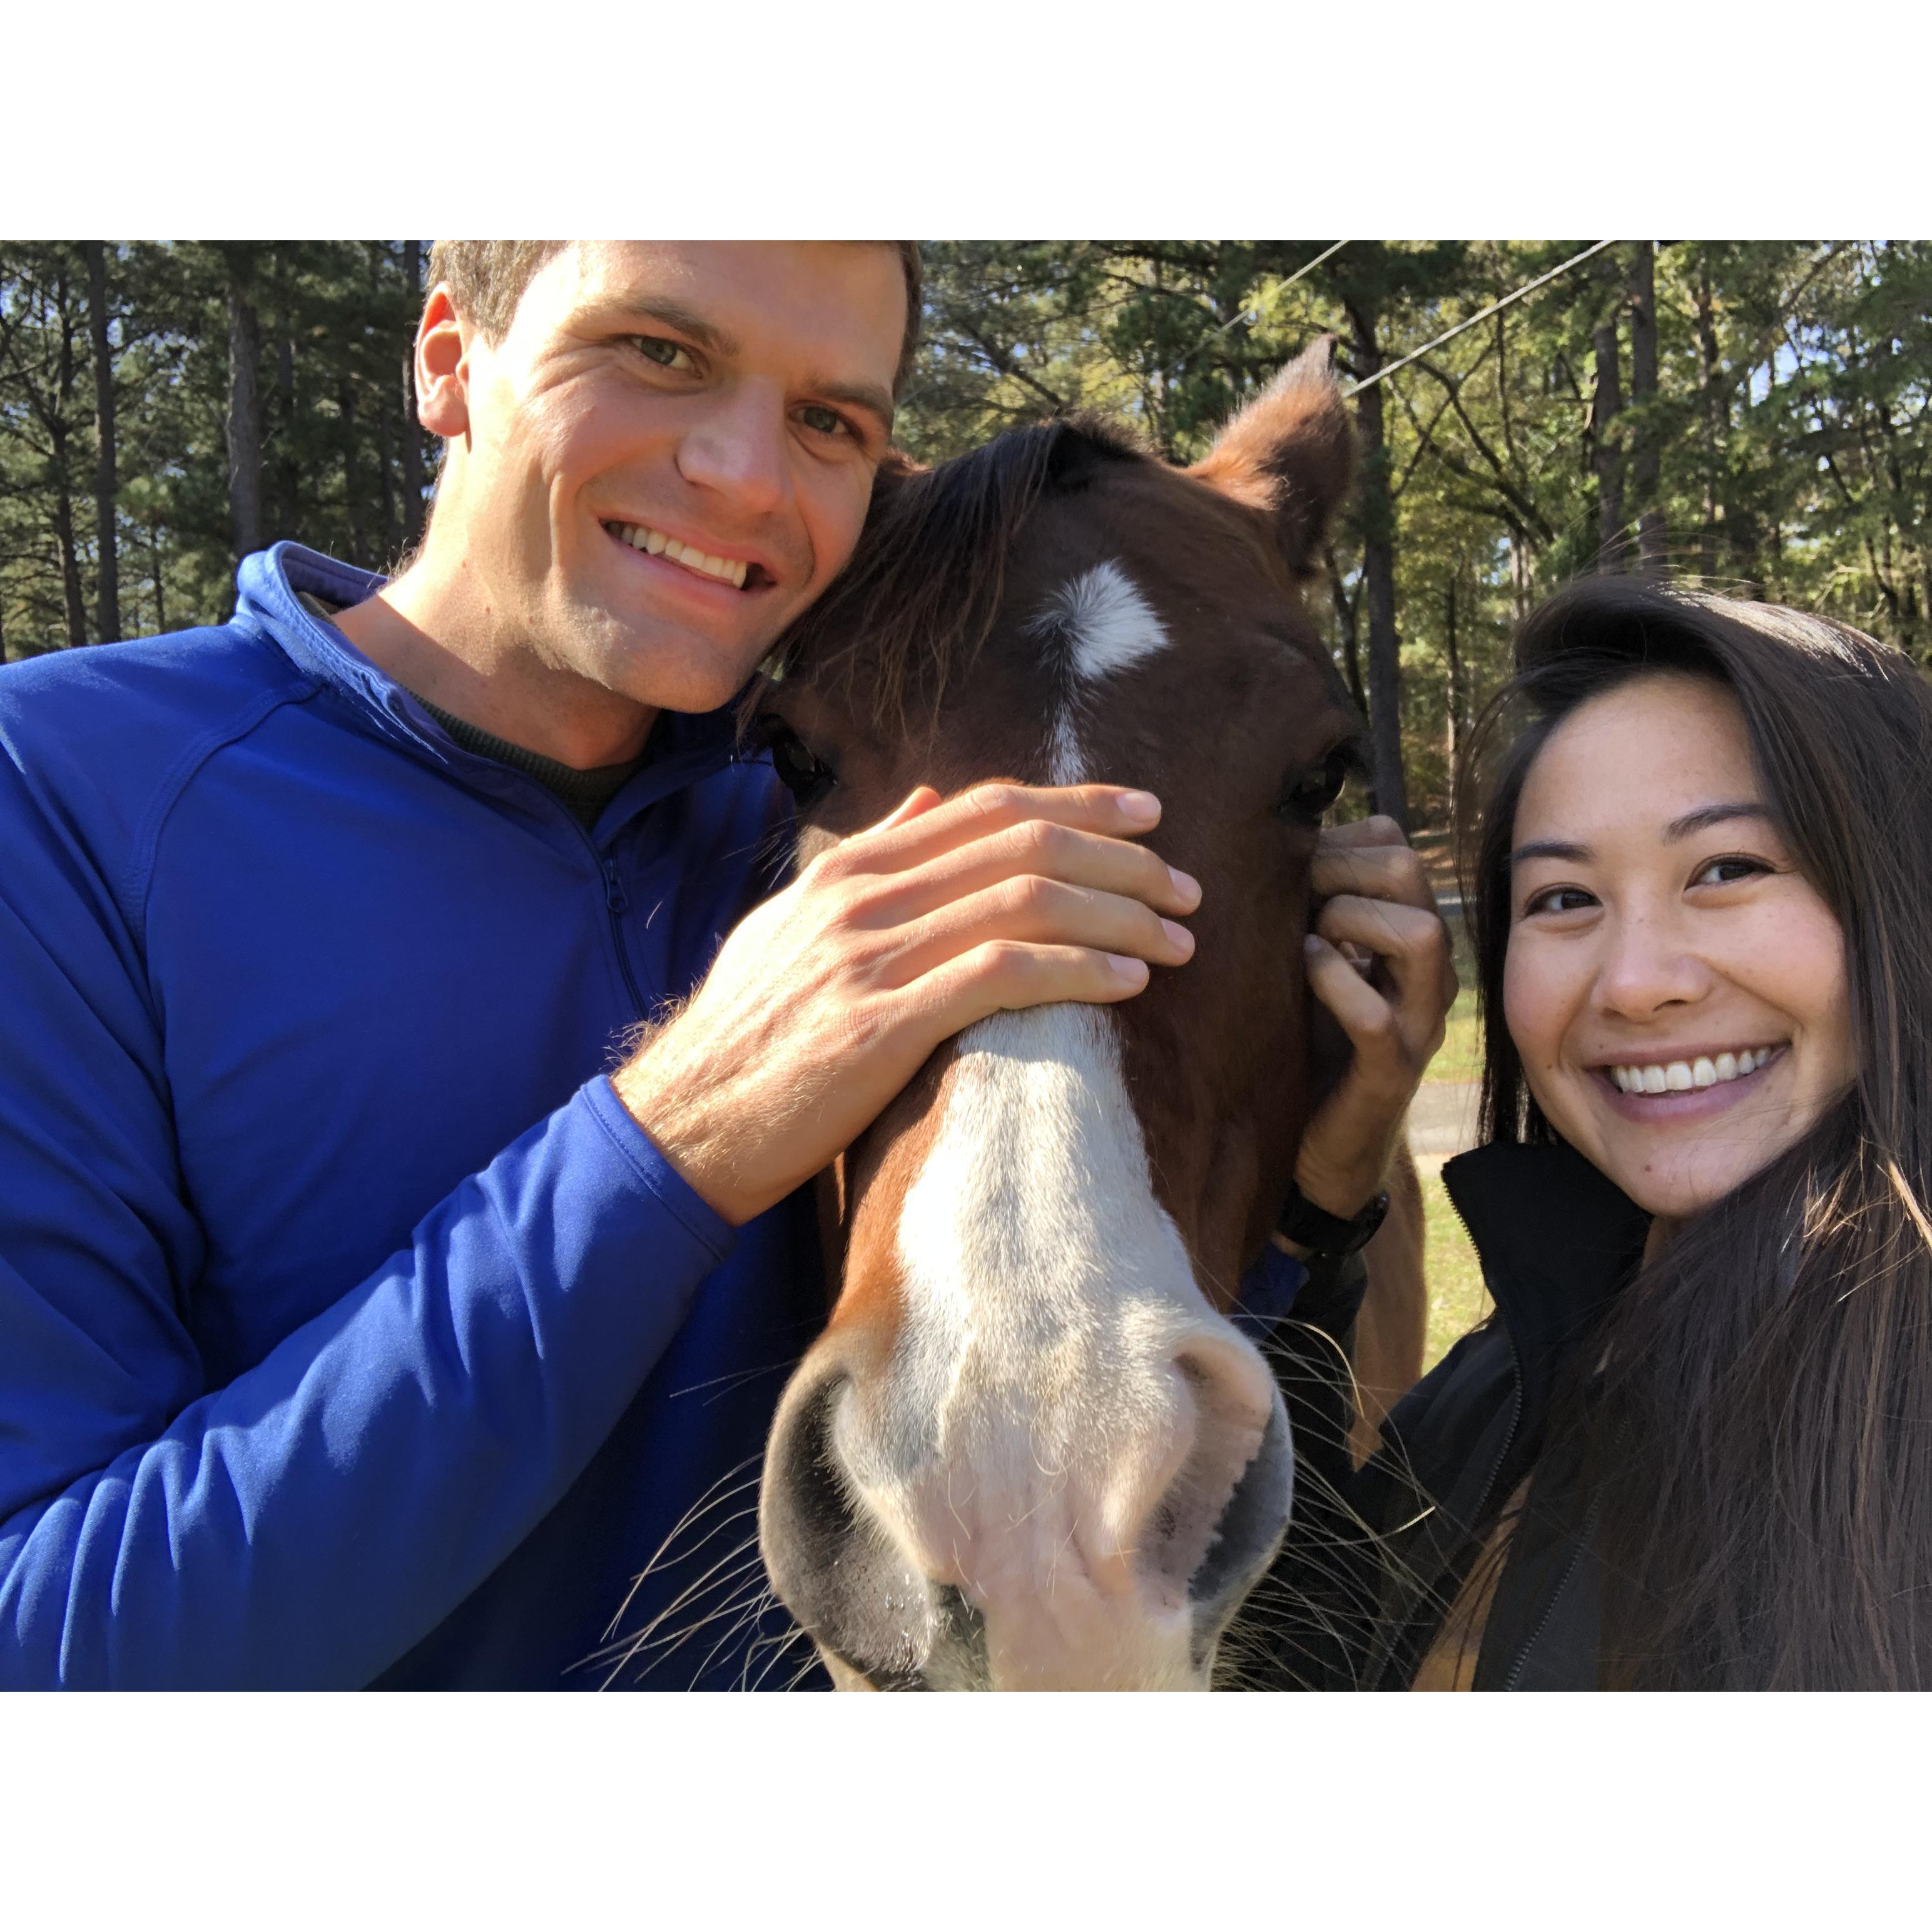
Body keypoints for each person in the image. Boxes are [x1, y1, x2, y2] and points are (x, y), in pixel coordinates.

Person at [0, 241, 1443, 1689]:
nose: (749, 475)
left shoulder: (843, 782)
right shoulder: (66, 792)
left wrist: (1317, 1197)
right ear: (448, 354)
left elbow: (1061, 1440)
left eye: (830, 419)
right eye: (656, 349)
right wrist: (677, 1130)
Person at [1276, 574, 1932, 1691]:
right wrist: (1324, 1213)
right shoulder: (1525, 1361)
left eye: (1728, 870)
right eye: (1564, 899)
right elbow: (1299, 1656)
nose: (1633, 985)